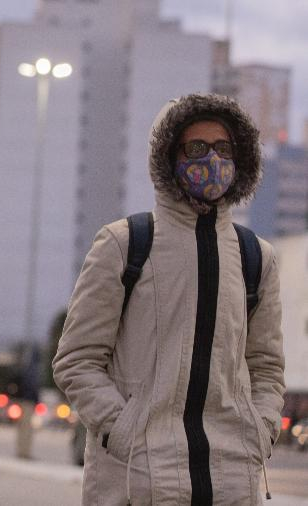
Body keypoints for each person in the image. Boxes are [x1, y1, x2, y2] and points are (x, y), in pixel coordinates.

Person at [53, 93, 285, 504]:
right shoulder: (124, 244)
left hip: (231, 480)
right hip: (138, 480)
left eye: (224, 148)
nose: (212, 160)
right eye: (197, 148)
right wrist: (125, 431)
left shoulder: (256, 258)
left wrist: (259, 430)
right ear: (168, 157)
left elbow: (265, 366)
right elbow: (76, 360)